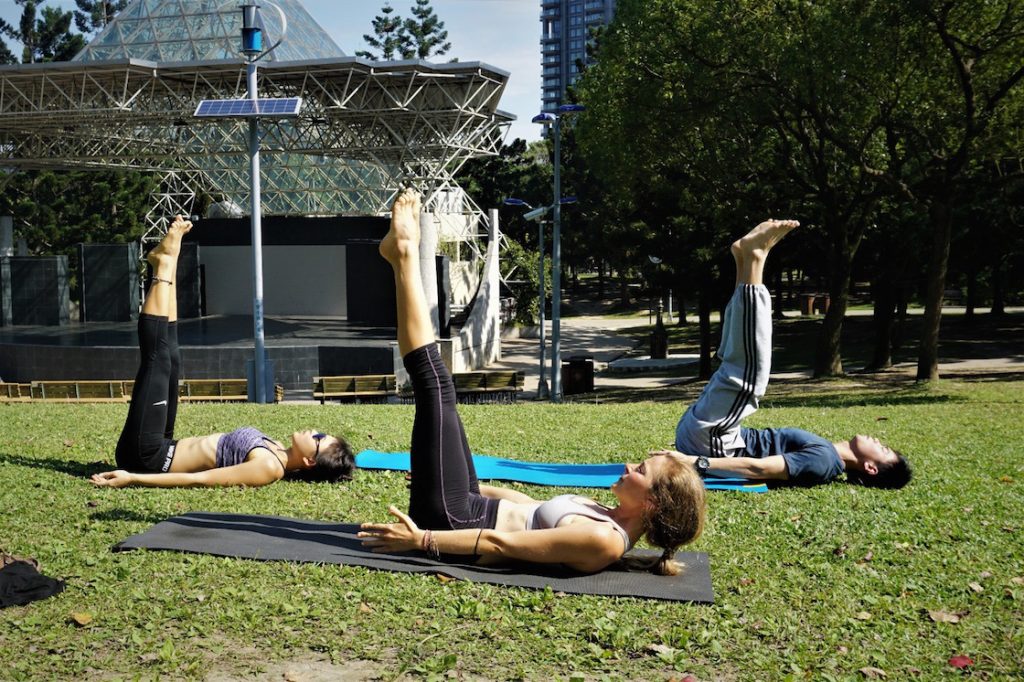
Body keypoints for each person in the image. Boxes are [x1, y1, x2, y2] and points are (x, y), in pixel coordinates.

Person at [357, 190, 705, 575]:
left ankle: (404, 254)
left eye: (640, 470)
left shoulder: (604, 540)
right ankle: (399, 258)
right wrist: (439, 473)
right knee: (441, 389)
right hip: (468, 505)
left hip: (454, 522)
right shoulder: (607, 517)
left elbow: (500, 542)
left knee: (435, 385)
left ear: (652, 504)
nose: (628, 465)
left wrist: (421, 540)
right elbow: (524, 507)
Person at [90, 216, 354, 489]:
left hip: (147, 457)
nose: (315, 431)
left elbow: (200, 479)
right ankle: (166, 264)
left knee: (158, 359)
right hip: (162, 444)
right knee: (172, 357)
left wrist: (132, 478)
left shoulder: (268, 468)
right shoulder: (276, 449)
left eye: (319, 438)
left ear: (311, 461)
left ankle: (165, 264)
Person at [655, 219, 912, 489]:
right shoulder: (826, 452)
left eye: (883, 449)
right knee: (736, 359)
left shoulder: (824, 462)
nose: (878, 440)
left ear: (870, 468)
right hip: (714, 434)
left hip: (711, 443)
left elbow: (761, 467)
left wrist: (693, 462)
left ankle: (755, 257)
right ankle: (744, 259)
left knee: (750, 375)